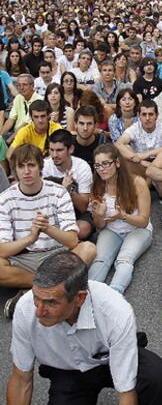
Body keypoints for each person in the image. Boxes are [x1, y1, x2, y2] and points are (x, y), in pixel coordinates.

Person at [7, 251, 162, 405]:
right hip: (68, 372)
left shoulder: (115, 312)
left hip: (110, 360)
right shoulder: (25, 310)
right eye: (36, 298)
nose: (39, 311)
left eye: (51, 303)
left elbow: (128, 401)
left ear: (79, 298)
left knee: (158, 377)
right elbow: (21, 381)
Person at [0, 145, 95, 318]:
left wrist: (47, 228)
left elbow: (73, 241)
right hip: (24, 257)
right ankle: (48, 288)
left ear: (40, 167)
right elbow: (3, 250)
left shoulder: (58, 192)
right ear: (15, 170)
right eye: (21, 167)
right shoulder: (5, 199)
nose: (26, 171)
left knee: (88, 249)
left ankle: (29, 294)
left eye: (31, 165)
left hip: (57, 254)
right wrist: (30, 238)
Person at [89, 144, 152, 293]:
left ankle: (114, 295)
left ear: (117, 163)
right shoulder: (97, 186)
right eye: (97, 165)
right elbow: (99, 226)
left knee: (124, 259)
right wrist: (100, 215)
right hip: (111, 230)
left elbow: (143, 221)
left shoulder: (137, 183)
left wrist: (122, 216)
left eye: (106, 163)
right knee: (100, 260)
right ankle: (88, 295)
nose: (101, 169)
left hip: (137, 229)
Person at [43, 129, 94, 240]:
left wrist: (69, 190)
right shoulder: (45, 166)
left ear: (70, 149)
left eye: (59, 150)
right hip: (52, 211)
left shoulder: (82, 167)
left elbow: (83, 207)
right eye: (51, 150)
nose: (54, 155)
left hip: (77, 213)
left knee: (83, 229)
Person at [116, 99, 162, 176]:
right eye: (144, 114)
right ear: (139, 115)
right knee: (126, 147)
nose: (147, 118)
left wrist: (147, 154)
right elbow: (118, 144)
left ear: (157, 115)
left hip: (159, 164)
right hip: (139, 163)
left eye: (151, 114)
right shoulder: (134, 128)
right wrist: (138, 159)